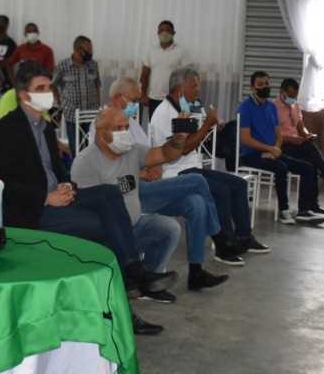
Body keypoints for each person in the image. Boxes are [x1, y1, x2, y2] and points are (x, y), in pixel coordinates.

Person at [0, 61, 174, 333]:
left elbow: (57, 169)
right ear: (24, 95)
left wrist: (67, 185)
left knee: (110, 193)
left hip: (58, 199)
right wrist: (45, 197)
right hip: (31, 211)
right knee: (106, 229)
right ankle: (127, 298)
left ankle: (133, 272)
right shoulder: (6, 130)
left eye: (48, 87)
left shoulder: (45, 127)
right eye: (40, 88)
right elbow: (0, 183)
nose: (48, 92)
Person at [75, 106, 230, 293]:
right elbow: (89, 207)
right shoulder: (85, 162)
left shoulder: (131, 150)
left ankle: (154, 282)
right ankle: (219, 238)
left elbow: (165, 154)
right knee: (196, 181)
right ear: (101, 132)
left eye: (126, 127)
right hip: (111, 237)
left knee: (188, 210)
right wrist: (132, 180)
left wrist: (178, 139)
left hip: (137, 218)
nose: (124, 132)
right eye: (118, 128)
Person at [107, 75, 243, 267]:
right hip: (127, 191)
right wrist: (141, 174)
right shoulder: (103, 127)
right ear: (117, 98)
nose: (137, 105)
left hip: (148, 186)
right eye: (134, 100)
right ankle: (219, 236)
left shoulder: (132, 123)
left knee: (196, 203)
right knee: (196, 181)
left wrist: (155, 165)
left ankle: (196, 271)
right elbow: (109, 176)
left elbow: (150, 153)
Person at [152, 68, 269, 255]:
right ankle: (225, 246)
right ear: (180, 89)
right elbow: (182, 150)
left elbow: (195, 141)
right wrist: (207, 125)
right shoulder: (164, 113)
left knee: (238, 184)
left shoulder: (185, 108)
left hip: (193, 167)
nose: (198, 90)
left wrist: (213, 125)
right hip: (175, 172)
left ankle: (244, 237)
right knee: (221, 191)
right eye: (194, 86)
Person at [239, 70, 324, 225]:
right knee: (281, 167)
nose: (265, 87)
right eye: (260, 84)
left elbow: (278, 134)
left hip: (272, 152)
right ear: (252, 87)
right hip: (251, 154)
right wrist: (269, 149)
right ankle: (284, 210)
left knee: (307, 168)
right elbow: (245, 139)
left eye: (267, 83)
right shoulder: (245, 107)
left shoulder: (271, 107)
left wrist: (276, 149)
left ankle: (304, 211)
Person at [54, 35, 102, 154]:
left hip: (91, 114)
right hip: (72, 114)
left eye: (91, 50)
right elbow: (53, 85)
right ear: (77, 50)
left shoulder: (93, 64)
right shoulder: (63, 65)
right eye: (88, 51)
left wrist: (98, 105)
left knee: (92, 148)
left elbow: (97, 85)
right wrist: (60, 102)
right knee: (75, 148)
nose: (90, 53)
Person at [140, 20, 188, 115]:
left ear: (173, 33)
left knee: (173, 123)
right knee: (154, 123)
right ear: (158, 33)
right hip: (154, 98)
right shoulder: (151, 50)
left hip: (174, 98)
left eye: (167, 30)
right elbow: (144, 75)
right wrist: (143, 95)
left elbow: (187, 76)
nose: (164, 33)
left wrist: (184, 97)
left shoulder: (182, 51)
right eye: (161, 30)